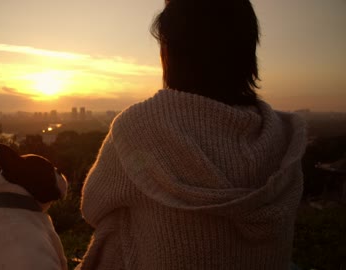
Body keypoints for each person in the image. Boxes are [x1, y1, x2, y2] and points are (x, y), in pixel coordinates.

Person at [77, 0, 307, 269]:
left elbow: (93, 208)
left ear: (170, 53)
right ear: (248, 52)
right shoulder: (283, 136)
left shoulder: (138, 128)